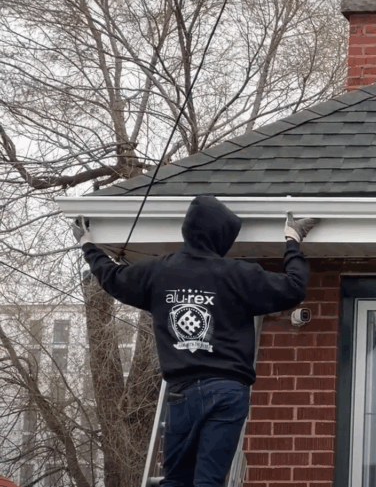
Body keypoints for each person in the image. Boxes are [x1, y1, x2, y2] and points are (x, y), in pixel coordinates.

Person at [70, 195, 319, 487]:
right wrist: (292, 239)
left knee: (175, 480)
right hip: (226, 390)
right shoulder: (237, 274)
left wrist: (88, 244)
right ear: (221, 237)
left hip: (182, 392)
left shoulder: (159, 272)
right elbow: (292, 287)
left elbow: (112, 277)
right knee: (208, 481)